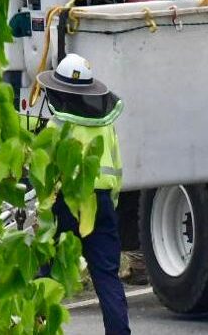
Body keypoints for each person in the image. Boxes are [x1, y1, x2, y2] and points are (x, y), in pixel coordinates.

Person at [38, 53, 129, 335]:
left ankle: (37, 327)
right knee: (106, 276)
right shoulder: (106, 126)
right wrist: (109, 207)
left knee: (45, 272)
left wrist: (43, 214)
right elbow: (116, 171)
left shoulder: (56, 127)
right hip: (101, 203)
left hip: (63, 203)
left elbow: (44, 178)